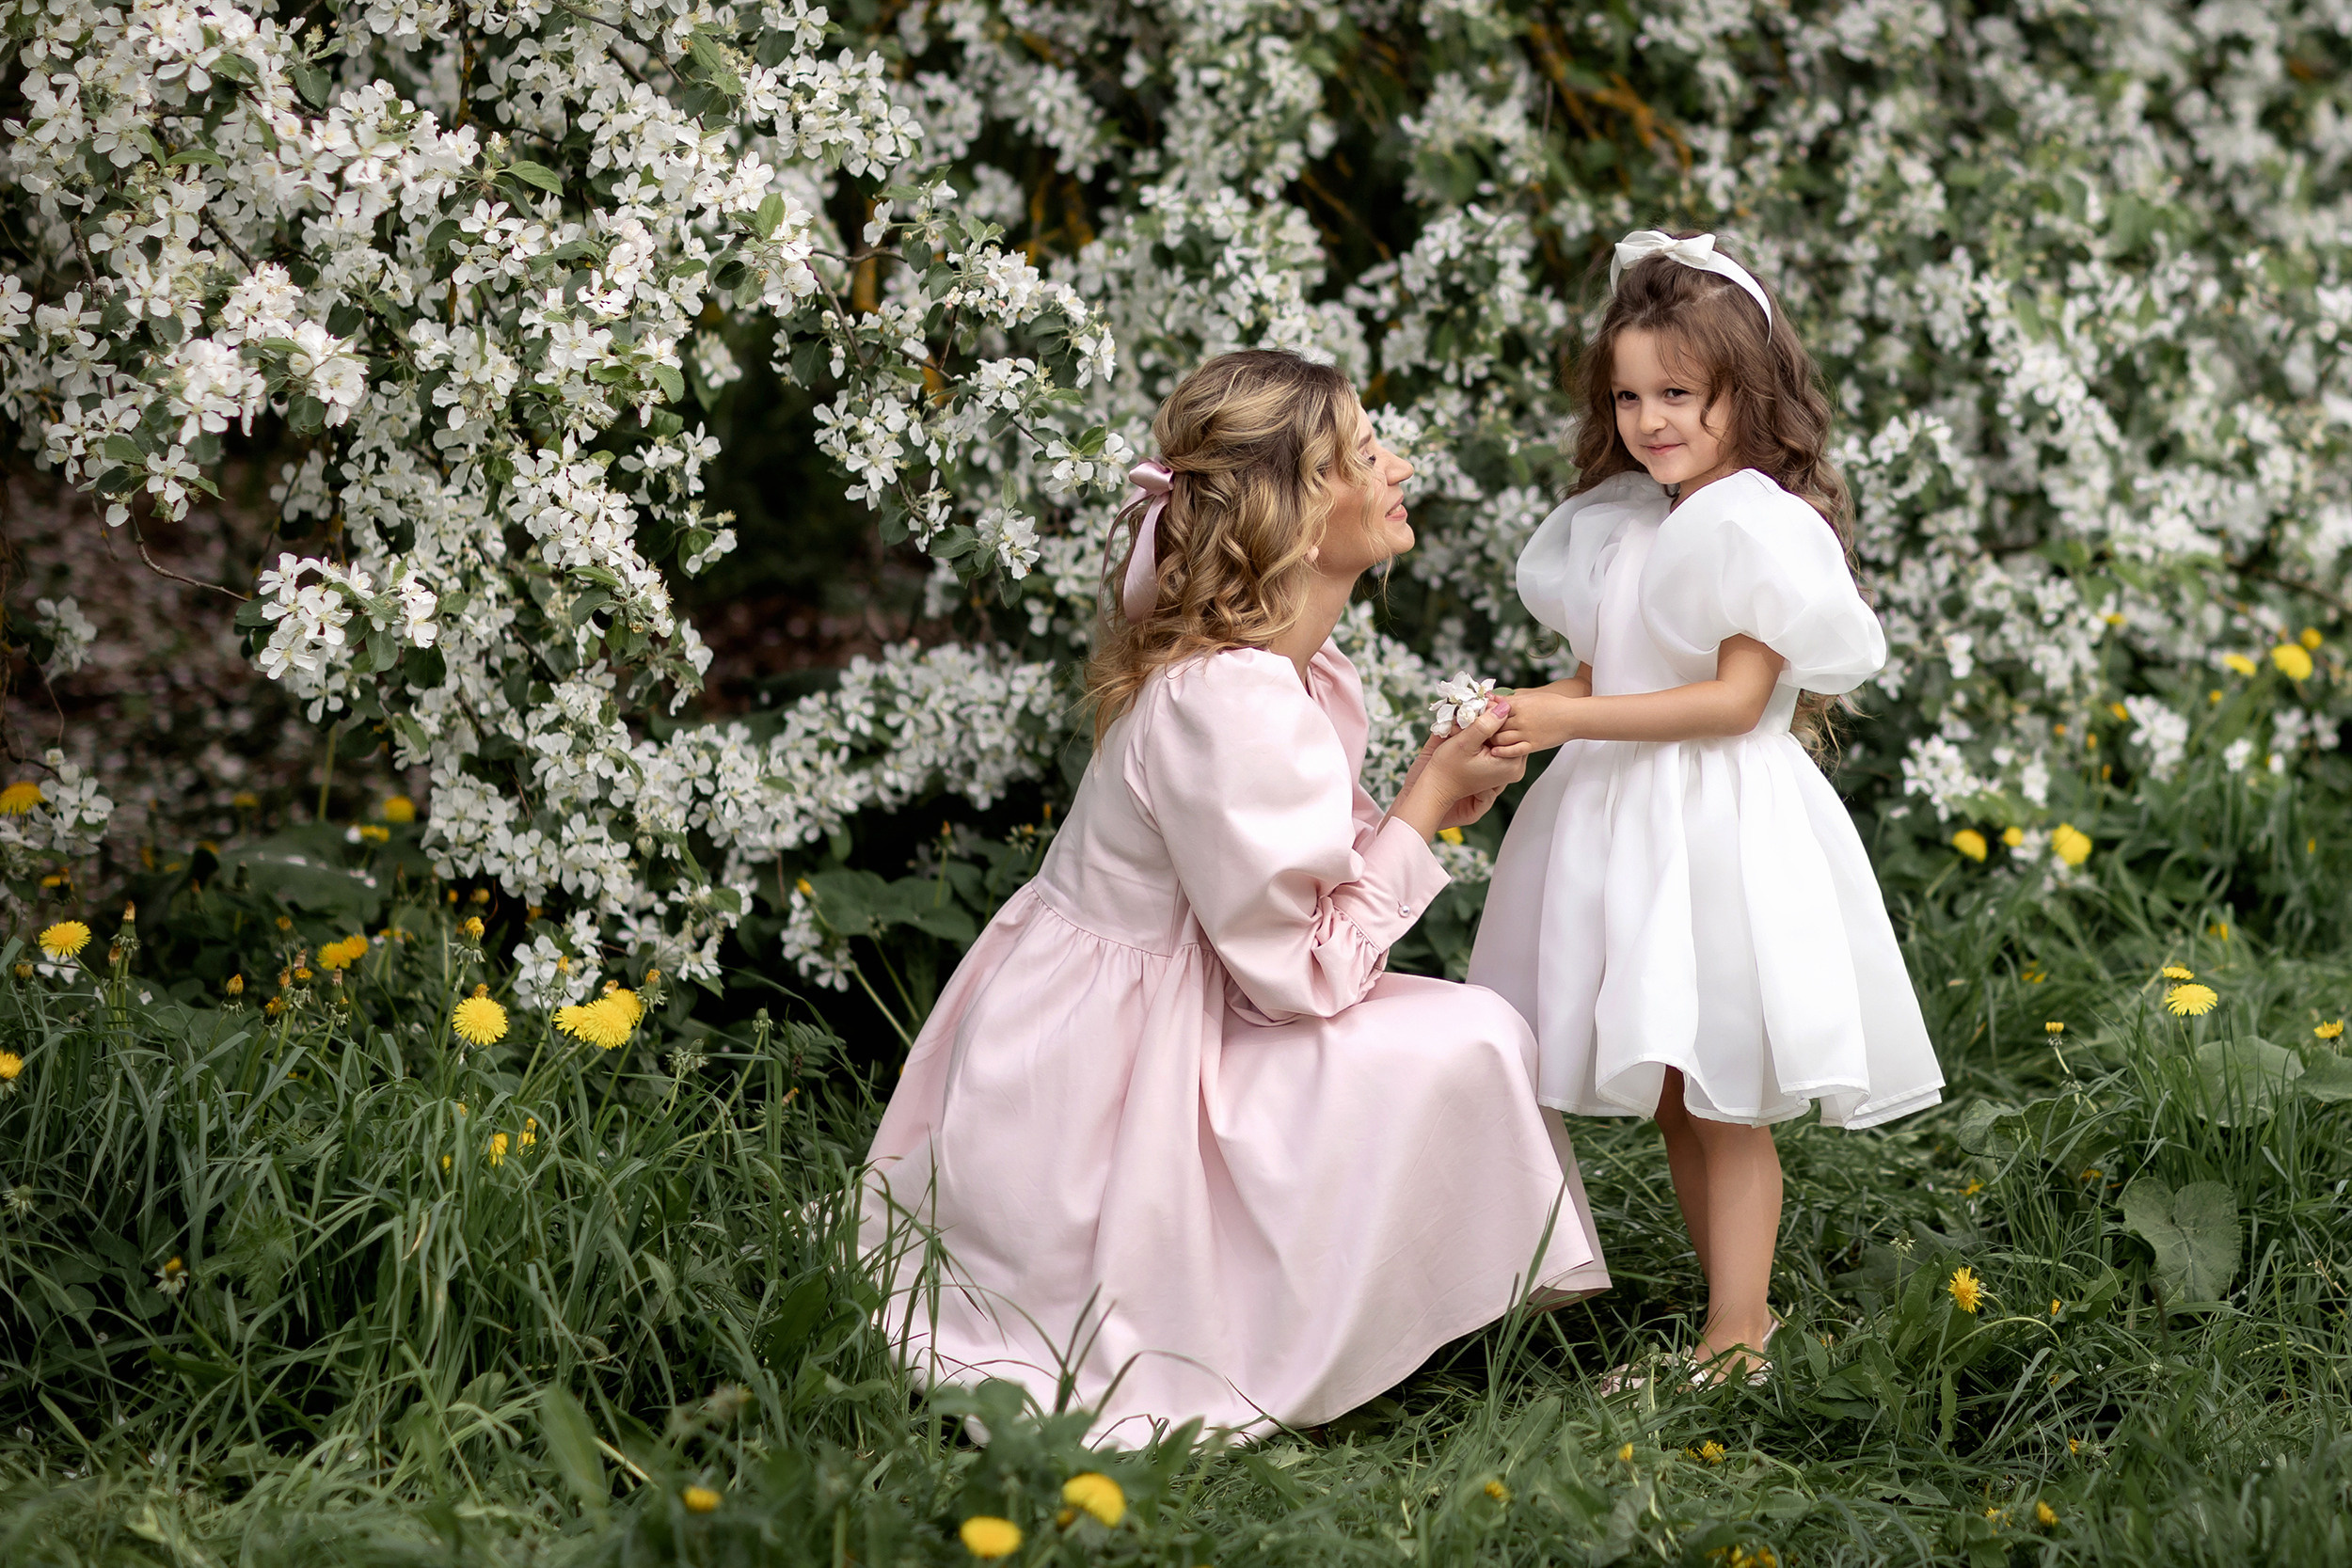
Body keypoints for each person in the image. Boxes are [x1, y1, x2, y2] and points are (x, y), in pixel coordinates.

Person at [863, 348, 1610, 1445]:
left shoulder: (1281, 669)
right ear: (1306, 515)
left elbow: (1272, 866)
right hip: (1110, 1076)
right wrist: (1417, 810)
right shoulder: (1236, 698)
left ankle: (1413, 1286)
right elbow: (1300, 973)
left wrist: (1428, 808)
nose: (1398, 465)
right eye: (1366, 453)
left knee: (1458, 1027)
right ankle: (1284, 1312)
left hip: (1148, 1008)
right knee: (1472, 1035)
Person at [1470, 231, 1945, 1386]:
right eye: (1630, 395)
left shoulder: (1749, 520)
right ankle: (1727, 1319)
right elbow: (1621, 671)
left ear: (1749, 390)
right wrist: (1535, 703)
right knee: (1682, 1086)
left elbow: (1736, 700)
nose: (1650, 419)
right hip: (1625, 822)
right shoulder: (1628, 522)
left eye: (1678, 392)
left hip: (1716, 827)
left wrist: (1570, 722)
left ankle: (1741, 1328)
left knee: (1722, 1083)